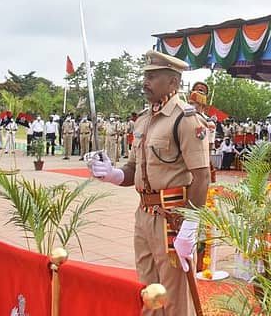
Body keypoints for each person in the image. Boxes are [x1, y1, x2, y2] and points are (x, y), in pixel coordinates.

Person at [89, 50, 210, 316]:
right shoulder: (144, 120)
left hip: (173, 218)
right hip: (144, 215)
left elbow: (202, 176)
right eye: (145, 75)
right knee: (148, 291)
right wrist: (112, 174)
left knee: (174, 297)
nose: (145, 82)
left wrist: (190, 224)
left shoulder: (185, 119)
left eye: (153, 77)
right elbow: (133, 168)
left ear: (173, 83)